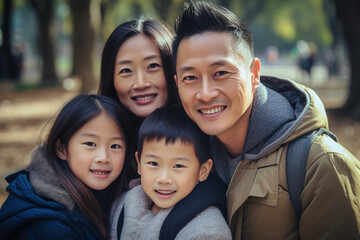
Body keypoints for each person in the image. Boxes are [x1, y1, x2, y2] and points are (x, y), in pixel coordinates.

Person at [173, 1, 360, 239]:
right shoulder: (181, 158)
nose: (206, 93)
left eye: (220, 73)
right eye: (190, 77)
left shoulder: (320, 164)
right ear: (177, 83)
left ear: (254, 73)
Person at [0, 95, 133, 239]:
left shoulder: (110, 196)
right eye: (90, 144)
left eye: (115, 146)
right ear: (62, 149)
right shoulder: (50, 228)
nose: (103, 157)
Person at [110, 106, 232, 239]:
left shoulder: (207, 230)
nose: (163, 178)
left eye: (178, 166)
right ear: (139, 164)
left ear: (203, 171)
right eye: (153, 163)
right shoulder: (123, 207)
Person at [98, 18, 180, 181]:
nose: (141, 84)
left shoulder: (205, 134)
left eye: (152, 66)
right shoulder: (93, 143)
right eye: (126, 70)